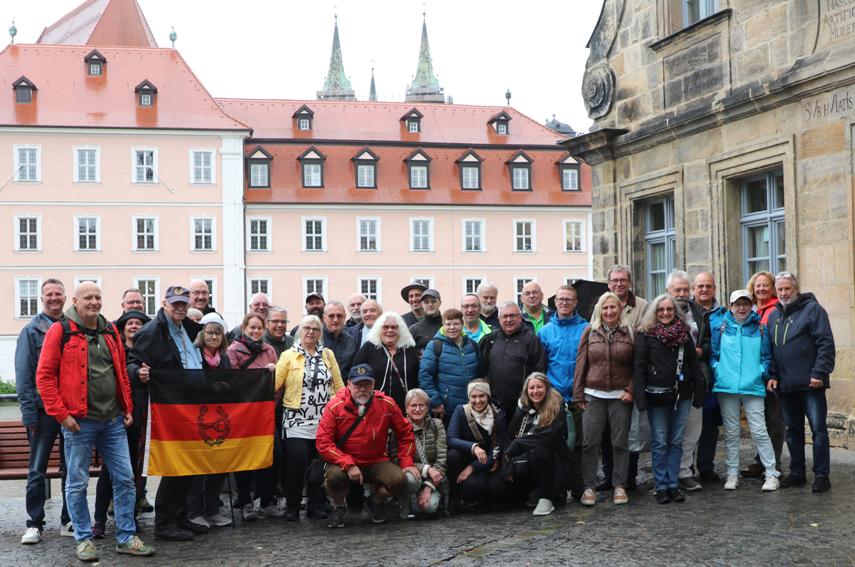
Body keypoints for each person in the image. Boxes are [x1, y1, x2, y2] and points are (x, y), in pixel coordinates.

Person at [36, 282, 154, 561]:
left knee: (126, 479)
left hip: (112, 419)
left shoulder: (110, 330)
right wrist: (62, 415)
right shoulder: (60, 331)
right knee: (76, 483)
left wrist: (127, 405)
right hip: (79, 421)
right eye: (88, 297)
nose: (94, 302)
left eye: (98, 297)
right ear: (75, 301)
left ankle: (126, 536)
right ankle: (83, 538)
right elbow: (44, 377)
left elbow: (120, 372)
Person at [128, 285, 203, 541]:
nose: (180, 307)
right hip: (168, 409)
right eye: (175, 303)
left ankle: (181, 517)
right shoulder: (152, 331)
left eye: (184, 303)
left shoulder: (190, 328)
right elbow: (132, 362)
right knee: (174, 465)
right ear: (164, 303)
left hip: (190, 407)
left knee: (189, 464)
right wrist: (138, 373)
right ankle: (164, 522)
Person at [316, 364, 418, 528]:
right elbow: (323, 442)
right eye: (357, 385)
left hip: (376, 460)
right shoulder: (334, 406)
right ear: (348, 384)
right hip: (344, 461)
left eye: (367, 385)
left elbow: (405, 432)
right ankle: (339, 507)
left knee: (400, 480)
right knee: (334, 477)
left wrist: (406, 462)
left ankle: (374, 502)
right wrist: (348, 465)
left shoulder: (386, 403)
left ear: (373, 384)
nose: (362, 389)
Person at [16, 278, 73, 545]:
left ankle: (68, 519)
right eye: (49, 294)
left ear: (64, 298)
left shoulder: (72, 328)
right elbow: (24, 376)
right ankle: (34, 523)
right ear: (42, 299)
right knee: (37, 469)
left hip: (71, 410)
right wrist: (29, 415)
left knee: (71, 468)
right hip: (42, 412)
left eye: (58, 294)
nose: (54, 298)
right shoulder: (31, 331)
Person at [768, 272, 835, 493]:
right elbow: (773, 350)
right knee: (792, 431)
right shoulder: (774, 316)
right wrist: (773, 375)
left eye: (787, 289)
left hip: (811, 384)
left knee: (818, 430)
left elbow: (825, 343)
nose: (784, 293)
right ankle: (797, 473)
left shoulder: (813, 310)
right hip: (786, 386)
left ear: (796, 289)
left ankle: (822, 475)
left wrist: (819, 373)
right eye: (780, 290)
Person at [633, 294, 703, 504]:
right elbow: (639, 367)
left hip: (681, 394)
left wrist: (698, 391)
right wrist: (640, 396)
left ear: (675, 312)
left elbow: (693, 365)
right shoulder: (646, 335)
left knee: (676, 441)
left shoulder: (683, 334)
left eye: (669, 310)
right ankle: (661, 485)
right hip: (656, 395)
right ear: (654, 312)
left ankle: (673, 484)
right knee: (660, 441)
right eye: (661, 310)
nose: (665, 313)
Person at [710, 290, 780, 492]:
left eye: (745, 304)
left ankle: (771, 473)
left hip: (753, 386)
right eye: (737, 304)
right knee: (731, 432)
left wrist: (759, 372)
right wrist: (719, 370)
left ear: (751, 305)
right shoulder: (721, 327)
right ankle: (732, 473)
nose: (741, 308)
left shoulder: (760, 328)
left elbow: (767, 357)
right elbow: (713, 355)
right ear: (730, 306)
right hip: (727, 386)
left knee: (759, 431)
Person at [276, 315, 344, 520]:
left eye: (315, 329)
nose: (311, 332)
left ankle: (316, 505)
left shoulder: (328, 354)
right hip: (296, 419)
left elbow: (339, 385)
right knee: (296, 463)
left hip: (324, 420)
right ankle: (293, 506)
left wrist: (343, 409)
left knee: (319, 465)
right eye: (307, 328)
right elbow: (275, 383)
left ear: (320, 333)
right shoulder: (288, 355)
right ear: (299, 331)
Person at [92, 309, 152, 539]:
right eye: (130, 323)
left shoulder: (149, 351)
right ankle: (98, 519)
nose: (135, 326)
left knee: (135, 474)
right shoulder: (115, 349)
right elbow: (126, 371)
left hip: (144, 421)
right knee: (110, 472)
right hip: (120, 418)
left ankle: (130, 516)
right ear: (123, 327)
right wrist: (138, 373)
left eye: (139, 323)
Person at [573, 292, 634, 507]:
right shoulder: (590, 332)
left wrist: (631, 389)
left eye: (613, 308)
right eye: (605, 308)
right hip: (593, 395)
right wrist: (578, 393)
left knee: (620, 443)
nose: (609, 312)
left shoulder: (630, 333)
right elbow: (581, 364)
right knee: (590, 443)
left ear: (619, 310)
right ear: (600, 310)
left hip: (620, 396)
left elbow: (637, 365)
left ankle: (620, 485)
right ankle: (589, 487)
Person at [228, 312, 282, 520]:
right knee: (244, 458)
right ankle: (246, 501)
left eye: (259, 328)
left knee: (273, 455)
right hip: (243, 416)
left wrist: (271, 402)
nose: (256, 331)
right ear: (244, 328)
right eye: (252, 327)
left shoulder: (269, 350)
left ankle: (266, 501)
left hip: (266, 415)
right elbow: (233, 381)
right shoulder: (233, 350)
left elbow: (277, 383)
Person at [184, 313, 233, 531]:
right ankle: (194, 511)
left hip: (219, 416)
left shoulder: (225, 358)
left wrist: (224, 387)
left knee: (218, 465)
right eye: (210, 332)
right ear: (202, 334)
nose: (214, 336)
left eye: (218, 332)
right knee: (198, 468)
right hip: (197, 417)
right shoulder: (194, 355)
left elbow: (232, 382)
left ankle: (212, 509)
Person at [507, 373, 572, 516]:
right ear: (526, 390)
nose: (535, 391)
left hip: (554, 459)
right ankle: (532, 491)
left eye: (539, 387)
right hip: (526, 460)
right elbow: (512, 431)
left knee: (539, 450)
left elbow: (548, 436)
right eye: (531, 388)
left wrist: (519, 444)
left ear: (547, 388)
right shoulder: (523, 408)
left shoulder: (556, 405)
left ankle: (546, 497)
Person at [741, 271, 785, 479]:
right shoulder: (750, 310)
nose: (761, 289)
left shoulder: (777, 309)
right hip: (754, 373)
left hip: (773, 372)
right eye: (758, 285)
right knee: (760, 420)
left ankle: (774, 462)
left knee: (775, 420)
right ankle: (761, 460)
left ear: (773, 288)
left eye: (765, 285)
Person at [666, 270, 705, 493]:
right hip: (665, 380)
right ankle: (666, 474)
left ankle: (684, 471)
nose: (681, 294)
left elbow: (709, 341)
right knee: (667, 430)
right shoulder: (659, 312)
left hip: (694, 377)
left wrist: (701, 351)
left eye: (685, 289)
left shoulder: (698, 312)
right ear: (668, 291)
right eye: (677, 290)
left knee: (692, 427)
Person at [446, 380, 509, 511]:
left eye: (482, 396)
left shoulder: (499, 416)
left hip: (488, 463)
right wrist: (473, 447)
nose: (478, 400)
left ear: (488, 396)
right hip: (466, 458)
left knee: (497, 488)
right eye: (473, 397)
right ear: (469, 397)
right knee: (454, 457)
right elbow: (451, 438)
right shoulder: (461, 411)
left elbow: (496, 450)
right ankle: (455, 499)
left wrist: (472, 468)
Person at [690, 272, 728, 484]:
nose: (704, 290)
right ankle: (685, 468)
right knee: (687, 424)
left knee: (710, 424)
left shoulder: (723, 314)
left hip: (716, 376)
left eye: (708, 286)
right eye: (700, 286)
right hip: (691, 374)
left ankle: (706, 465)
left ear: (714, 288)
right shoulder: (685, 311)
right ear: (694, 288)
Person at [480, 302, 546, 418]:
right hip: (494, 403)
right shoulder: (492, 338)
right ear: (499, 319)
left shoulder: (530, 339)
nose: (508, 319)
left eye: (512, 316)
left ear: (520, 318)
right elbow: (484, 368)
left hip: (521, 404)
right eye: (505, 316)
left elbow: (539, 370)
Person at [419, 308, 481, 423]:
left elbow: (479, 374)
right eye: (448, 324)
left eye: (456, 323)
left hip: (472, 406)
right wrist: (435, 402)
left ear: (462, 324)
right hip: (447, 409)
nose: (452, 328)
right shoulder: (435, 346)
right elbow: (425, 375)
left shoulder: (472, 345)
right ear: (443, 325)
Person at [353, 312, 420, 410]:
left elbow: (417, 379)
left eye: (394, 327)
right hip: (374, 408)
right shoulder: (368, 348)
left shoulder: (409, 350)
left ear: (400, 330)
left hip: (404, 409)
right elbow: (355, 376)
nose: (390, 330)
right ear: (379, 330)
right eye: (385, 327)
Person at [401, 389, 448, 517]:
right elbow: (397, 460)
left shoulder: (436, 425)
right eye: (413, 405)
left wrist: (428, 486)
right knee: (408, 479)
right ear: (406, 408)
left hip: (434, 477)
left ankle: (431, 495)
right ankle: (404, 503)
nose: (417, 409)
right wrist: (426, 469)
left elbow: (442, 459)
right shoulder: (399, 427)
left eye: (421, 405)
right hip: (412, 474)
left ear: (427, 408)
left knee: (429, 507)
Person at [323, 301, 357, 377]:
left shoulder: (351, 341)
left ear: (345, 317)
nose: (335, 320)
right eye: (331, 316)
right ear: (324, 318)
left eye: (339, 316)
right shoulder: (316, 338)